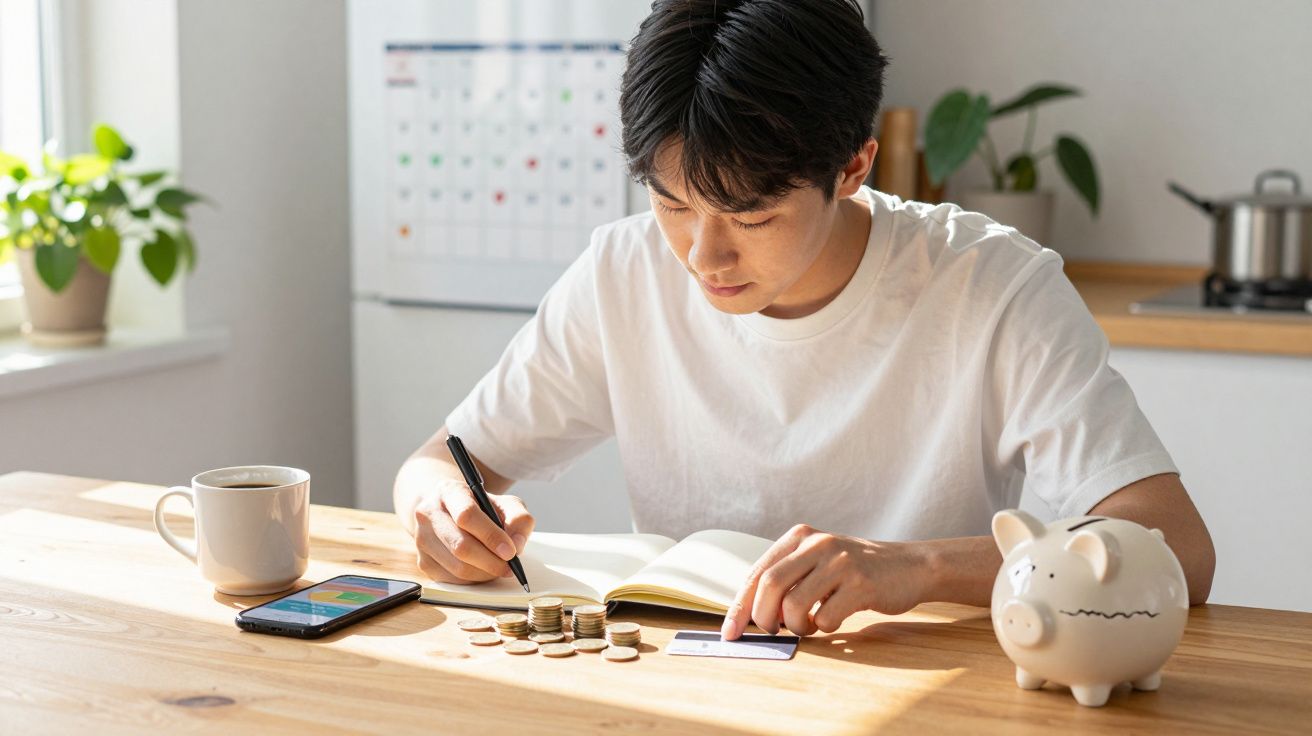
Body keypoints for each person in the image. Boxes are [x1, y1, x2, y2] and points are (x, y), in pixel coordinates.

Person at [393, 0, 1215, 640]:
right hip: (684, 681)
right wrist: (438, 507)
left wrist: (916, 568)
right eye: (673, 203)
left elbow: (1176, 547)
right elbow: (446, 460)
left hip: (922, 683)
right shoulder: (624, 269)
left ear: (854, 163)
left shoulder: (992, 285)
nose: (702, 256)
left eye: (750, 218)